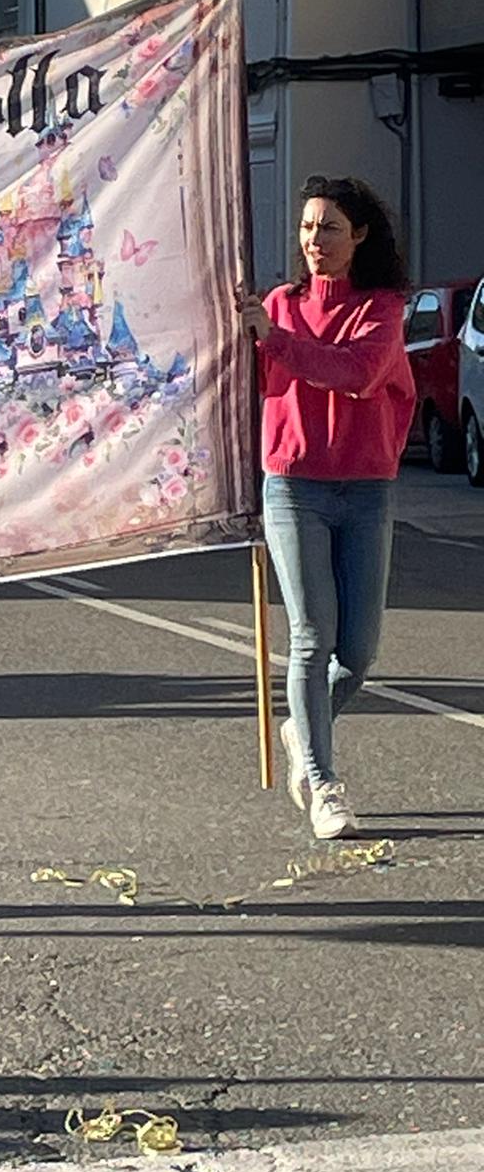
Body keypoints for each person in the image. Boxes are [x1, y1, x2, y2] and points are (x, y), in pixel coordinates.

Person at [237, 175, 414, 839]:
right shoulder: (277, 303)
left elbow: (357, 373)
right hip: (293, 485)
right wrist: (249, 334)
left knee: (358, 653)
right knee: (311, 637)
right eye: (309, 228)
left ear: (359, 235)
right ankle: (323, 783)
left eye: (330, 228)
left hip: (366, 489)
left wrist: (275, 341)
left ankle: (300, 729)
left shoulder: (383, 308)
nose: (316, 241)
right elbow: (249, 382)